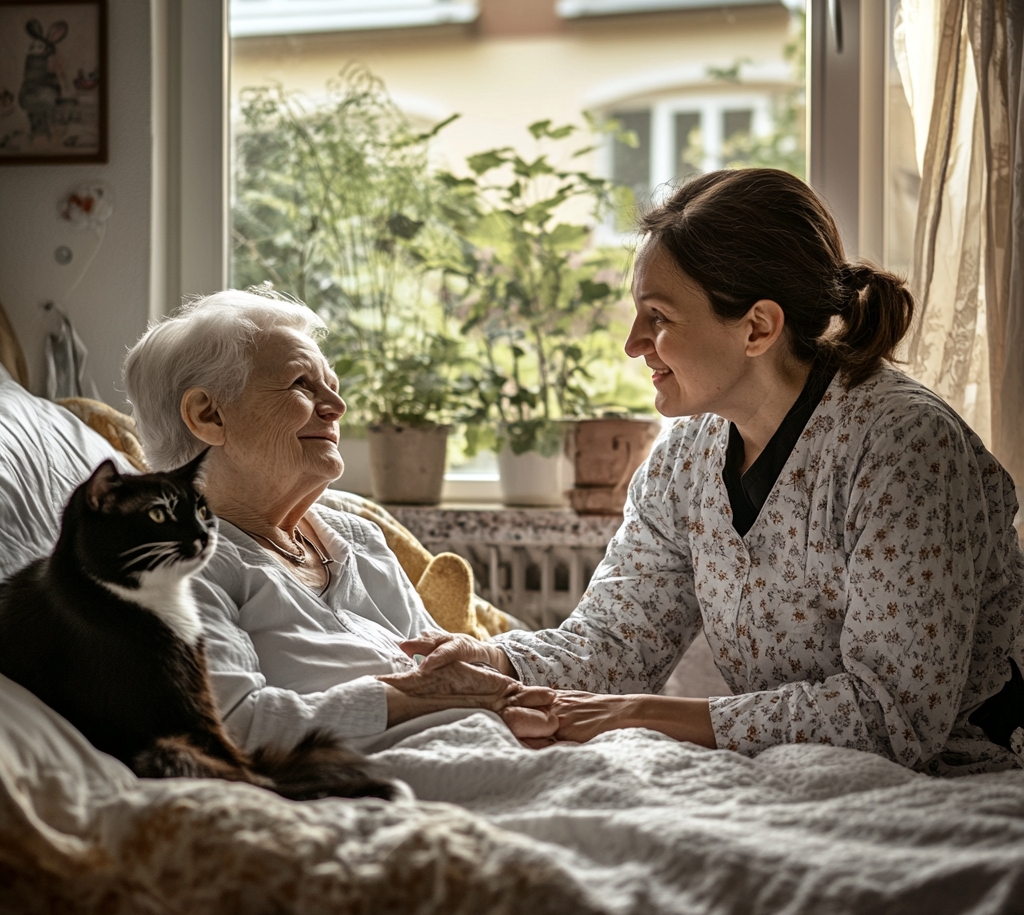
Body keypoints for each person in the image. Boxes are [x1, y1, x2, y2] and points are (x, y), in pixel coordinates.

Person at [407, 168, 1024, 776]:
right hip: (806, 776)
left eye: (658, 317)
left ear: (757, 327)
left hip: (973, 774)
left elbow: (893, 718)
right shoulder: (683, 461)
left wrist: (644, 715)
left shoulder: (904, 449)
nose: (632, 342)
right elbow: (615, 645)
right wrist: (491, 661)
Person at [123, 289, 554, 754]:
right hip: (378, 781)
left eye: (332, 385)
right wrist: (417, 698)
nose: (336, 406)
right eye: (302, 386)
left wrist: (509, 700)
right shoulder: (175, 567)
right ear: (209, 415)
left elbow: (441, 667)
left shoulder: (358, 539)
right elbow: (229, 727)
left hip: (482, 746)